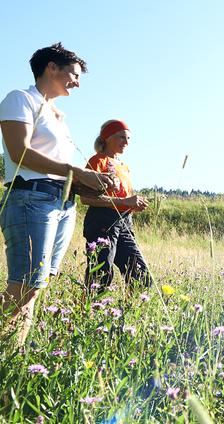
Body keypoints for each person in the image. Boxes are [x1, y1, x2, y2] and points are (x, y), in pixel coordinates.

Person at [0, 43, 114, 346]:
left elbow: (57, 169)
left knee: (35, 286)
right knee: (25, 284)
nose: (77, 82)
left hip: (61, 203)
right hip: (31, 199)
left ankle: (14, 352)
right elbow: (19, 152)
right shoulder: (20, 99)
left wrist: (88, 181)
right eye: (73, 75)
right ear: (51, 67)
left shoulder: (58, 116)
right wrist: (76, 172)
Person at [80, 119, 151, 293]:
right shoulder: (97, 161)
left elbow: (124, 198)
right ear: (107, 137)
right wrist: (124, 202)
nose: (126, 142)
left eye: (128, 139)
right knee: (101, 274)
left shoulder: (124, 166)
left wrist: (133, 205)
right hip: (102, 220)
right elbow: (85, 198)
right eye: (121, 137)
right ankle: (90, 314)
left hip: (125, 222)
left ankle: (131, 313)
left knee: (139, 273)